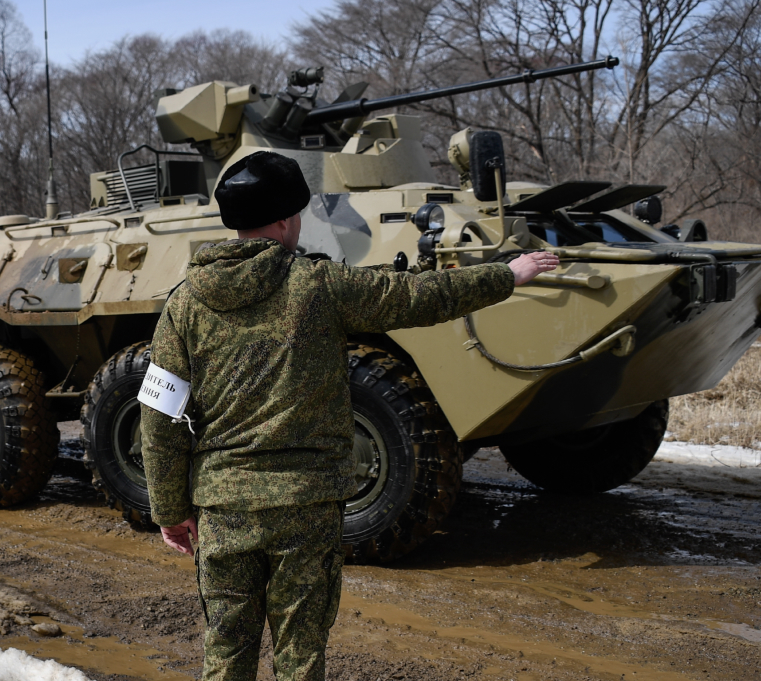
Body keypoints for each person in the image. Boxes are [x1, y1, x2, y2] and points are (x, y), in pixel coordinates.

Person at [139, 151, 558, 681]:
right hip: (307, 507)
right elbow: (418, 298)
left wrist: (169, 509)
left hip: (223, 510)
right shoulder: (319, 285)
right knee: (300, 657)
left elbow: (158, 416)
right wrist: (506, 276)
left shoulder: (183, 305)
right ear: (288, 220)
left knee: (224, 655)